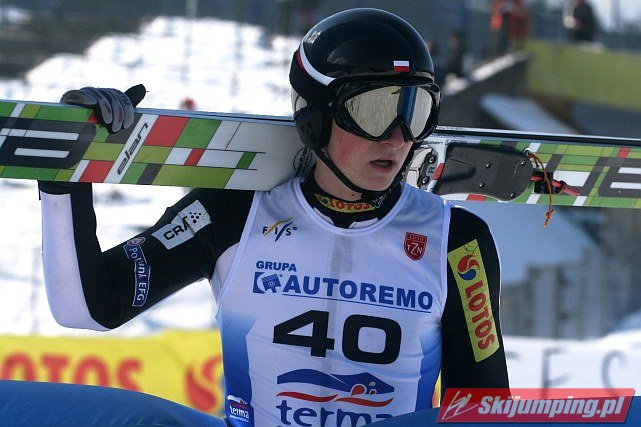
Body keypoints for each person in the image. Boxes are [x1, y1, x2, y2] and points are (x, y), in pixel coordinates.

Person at [36, 8, 508, 426]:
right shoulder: (232, 214)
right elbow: (87, 306)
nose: (399, 137)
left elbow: (482, 410)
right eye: (375, 109)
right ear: (315, 116)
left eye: (416, 110)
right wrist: (67, 174)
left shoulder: (455, 241)